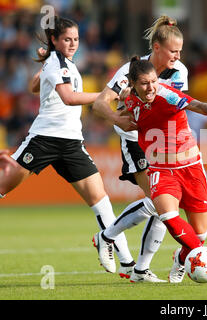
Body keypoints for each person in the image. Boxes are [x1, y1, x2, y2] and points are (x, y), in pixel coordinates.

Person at [0, 16, 136, 276]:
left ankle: (129, 264)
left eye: (75, 39)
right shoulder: (56, 62)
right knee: (2, 186)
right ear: (54, 39)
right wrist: (108, 95)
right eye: (66, 40)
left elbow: (33, 86)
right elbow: (69, 98)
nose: (73, 44)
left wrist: (45, 65)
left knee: (102, 202)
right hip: (44, 140)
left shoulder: (62, 63)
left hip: (72, 142)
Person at [94, 57, 207, 283]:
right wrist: (118, 119)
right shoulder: (129, 99)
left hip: (191, 168)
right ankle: (195, 258)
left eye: (153, 82)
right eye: (144, 83)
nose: (151, 87)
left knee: (199, 235)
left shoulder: (166, 94)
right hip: (162, 169)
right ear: (133, 84)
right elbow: (109, 104)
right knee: (168, 215)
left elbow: (196, 105)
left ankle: (182, 260)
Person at [92, 15, 190, 283]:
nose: (178, 56)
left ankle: (138, 269)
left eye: (180, 51)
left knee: (166, 207)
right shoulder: (130, 71)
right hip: (135, 142)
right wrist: (116, 118)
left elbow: (177, 107)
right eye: (173, 51)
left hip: (162, 144)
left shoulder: (180, 71)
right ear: (157, 48)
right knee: (161, 203)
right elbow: (100, 104)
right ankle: (109, 237)